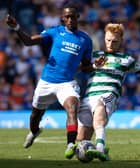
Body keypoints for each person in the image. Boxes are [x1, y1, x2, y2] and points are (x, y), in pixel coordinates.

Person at [5, 3, 93, 159]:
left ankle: (70, 145)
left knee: (72, 107)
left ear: (78, 17)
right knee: (34, 116)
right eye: (67, 17)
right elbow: (30, 41)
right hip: (46, 82)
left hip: (66, 83)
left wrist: (94, 65)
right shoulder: (55, 32)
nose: (70, 19)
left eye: (73, 16)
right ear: (63, 19)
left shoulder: (85, 40)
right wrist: (17, 27)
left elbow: (86, 67)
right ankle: (34, 131)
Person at [76, 23, 140, 161]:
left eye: (114, 41)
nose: (110, 44)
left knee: (100, 107)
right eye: (108, 40)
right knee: (82, 139)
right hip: (89, 97)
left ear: (121, 41)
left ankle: (100, 148)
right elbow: (77, 69)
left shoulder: (126, 60)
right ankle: (100, 152)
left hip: (108, 94)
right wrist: (94, 65)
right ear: (104, 39)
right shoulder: (94, 56)